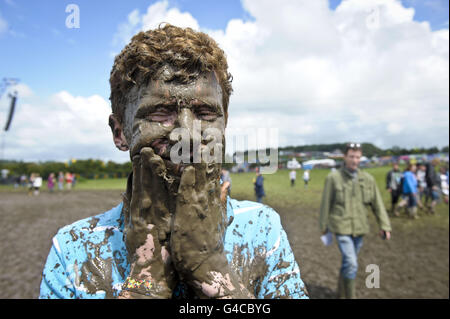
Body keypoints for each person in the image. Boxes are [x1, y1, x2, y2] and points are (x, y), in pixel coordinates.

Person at [40, 24, 308, 299]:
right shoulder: (74, 249)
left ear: (225, 122)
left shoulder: (262, 228)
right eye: (160, 113)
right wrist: (147, 282)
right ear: (119, 132)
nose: (188, 136)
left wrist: (213, 271)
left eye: (205, 112)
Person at [319, 143, 391, 299]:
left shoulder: (368, 179)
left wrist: (384, 225)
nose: (354, 160)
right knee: (351, 263)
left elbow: (377, 204)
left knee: (348, 263)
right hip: (341, 227)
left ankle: (340, 294)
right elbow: (326, 203)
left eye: (357, 157)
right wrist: (323, 227)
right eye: (351, 156)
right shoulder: (333, 178)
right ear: (345, 157)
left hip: (360, 228)